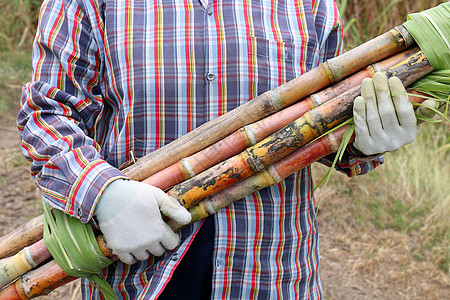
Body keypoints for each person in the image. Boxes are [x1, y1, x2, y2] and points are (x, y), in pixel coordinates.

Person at [17, 0, 421, 299]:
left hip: (272, 274)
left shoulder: (310, 5)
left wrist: (365, 139)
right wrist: (103, 193)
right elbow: (46, 111)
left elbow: (330, 124)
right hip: (134, 275)